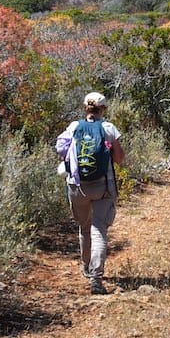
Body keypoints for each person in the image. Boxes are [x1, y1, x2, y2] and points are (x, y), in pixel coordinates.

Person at [55, 92, 125, 294]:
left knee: (85, 228)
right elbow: (119, 159)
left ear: (85, 108)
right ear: (103, 109)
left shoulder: (74, 127)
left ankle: (86, 267)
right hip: (102, 186)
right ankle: (96, 276)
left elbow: (61, 150)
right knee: (99, 229)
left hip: (77, 186)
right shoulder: (108, 128)